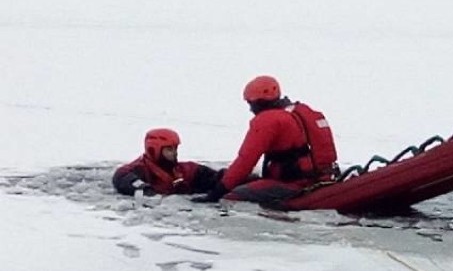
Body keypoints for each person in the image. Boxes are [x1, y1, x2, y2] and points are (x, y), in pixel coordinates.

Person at [192, 75, 337, 204]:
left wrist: (218, 192)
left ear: (258, 102)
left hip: (294, 184)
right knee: (251, 181)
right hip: (320, 178)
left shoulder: (267, 120)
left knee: (232, 197)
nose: (250, 110)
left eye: (250, 104)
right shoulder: (302, 111)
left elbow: (246, 160)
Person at [113, 128, 221, 196]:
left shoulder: (183, 170)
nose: (174, 153)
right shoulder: (140, 169)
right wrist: (143, 188)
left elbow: (212, 176)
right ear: (154, 150)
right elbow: (122, 176)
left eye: (175, 149)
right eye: (169, 149)